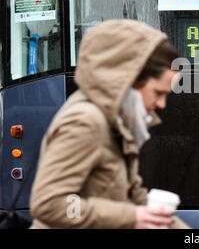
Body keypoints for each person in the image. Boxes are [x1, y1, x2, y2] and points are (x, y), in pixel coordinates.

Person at [30, 19, 188, 229]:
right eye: (158, 93)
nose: (161, 104)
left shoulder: (115, 120)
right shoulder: (86, 122)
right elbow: (50, 204)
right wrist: (130, 217)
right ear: (128, 80)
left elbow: (134, 196)